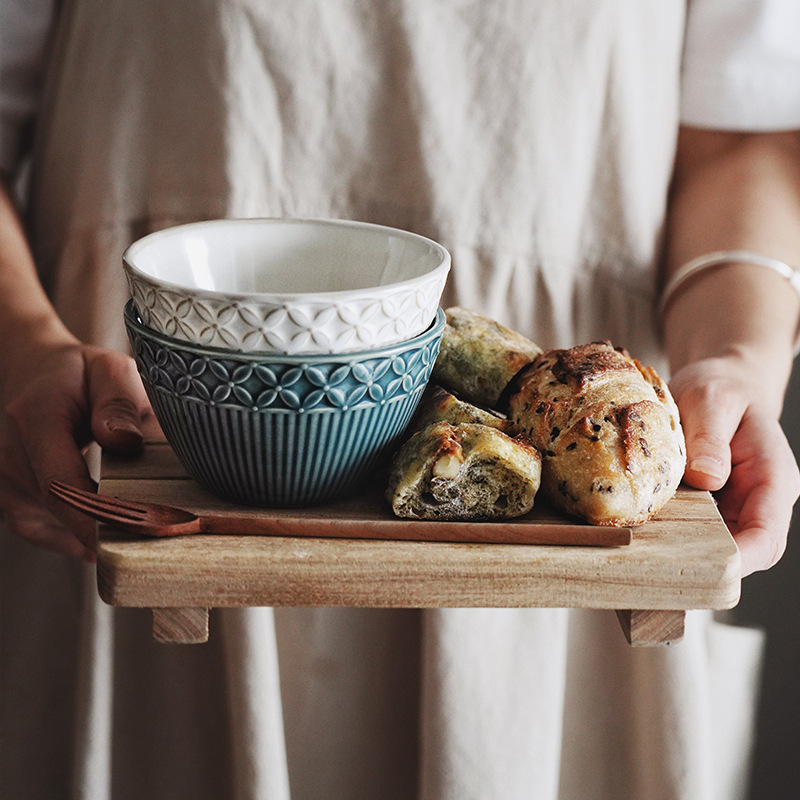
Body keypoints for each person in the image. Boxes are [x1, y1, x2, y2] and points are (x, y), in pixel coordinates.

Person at [1, 1, 799, 798]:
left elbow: (742, 140)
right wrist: (22, 342)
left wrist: (736, 353)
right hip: (131, 438)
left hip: (567, 495)